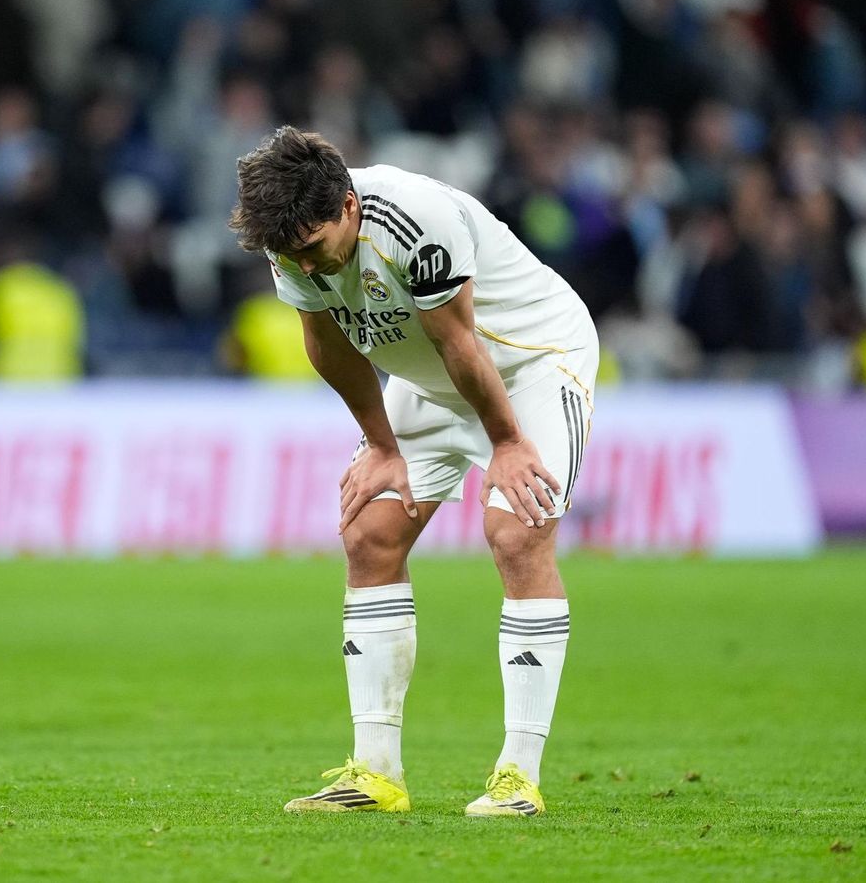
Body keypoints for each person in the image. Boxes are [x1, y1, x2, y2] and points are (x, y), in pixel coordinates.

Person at [229, 127, 597, 818]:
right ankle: (375, 774)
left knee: (517, 535)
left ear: (348, 206)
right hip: (431, 380)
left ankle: (518, 777)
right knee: (368, 533)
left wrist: (510, 444)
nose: (304, 269)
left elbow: (460, 341)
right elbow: (327, 344)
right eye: (288, 257)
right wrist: (381, 444)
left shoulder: (414, 219)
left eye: (312, 251)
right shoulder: (292, 238)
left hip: (528, 365)